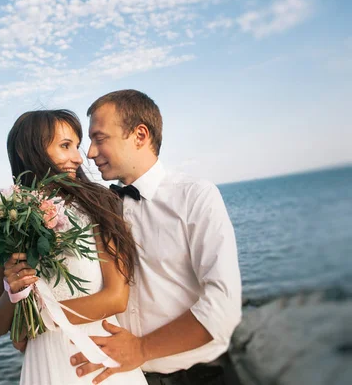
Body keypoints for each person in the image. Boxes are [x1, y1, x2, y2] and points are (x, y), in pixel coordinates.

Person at [69, 90, 243, 385]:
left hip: (200, 377)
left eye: (99, 138)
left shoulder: (196, 196)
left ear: (139, 135)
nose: (89, 153)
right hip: (128, 378)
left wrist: (141, 348)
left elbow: (222, 307)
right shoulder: (99, 210)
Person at [0, 110, 147, 385]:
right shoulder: (4, 223)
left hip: (97, 359)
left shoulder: (99, 206)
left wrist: (33, 322)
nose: (79, 158)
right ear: (27, 149)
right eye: (65, 146)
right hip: (42, 367)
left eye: (76, 146)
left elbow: (116, 297)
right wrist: (12, 295)